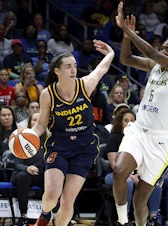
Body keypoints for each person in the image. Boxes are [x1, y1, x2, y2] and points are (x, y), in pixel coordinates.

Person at [113, 2, 168, 226]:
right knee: (118, 171)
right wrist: (127, 37)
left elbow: (151, 52)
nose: (162, 52)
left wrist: (128, 31)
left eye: (167, 50)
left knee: (140, 200)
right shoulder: (156, 66)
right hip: (139, 131)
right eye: (162, 49)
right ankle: (123, 221)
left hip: (161, 140)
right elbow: (126, 60)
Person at [31, 38, 114, 226]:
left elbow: (101, 69)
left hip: (84, 150)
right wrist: (27, 136)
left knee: (68, 202)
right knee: (52, 195)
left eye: (74, 66)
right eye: (68, 67)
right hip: (59, 146)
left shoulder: (84, 85)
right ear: (57, 71)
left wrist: (110, 53)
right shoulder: (48, 94)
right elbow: (40, 126)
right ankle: (44, 215)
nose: (73, 70)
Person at [11, 112, 45, 226]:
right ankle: (23, 215)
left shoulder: (48, 141)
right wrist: (27, 169)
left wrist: (36, 167)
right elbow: (17, 164)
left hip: (40, 173)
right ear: (30, 123)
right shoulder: (21, 138)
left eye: (39, 120)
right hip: (23, 174)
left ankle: (56, 215)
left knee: (56, 178)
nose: (37, 122)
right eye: (34, 120)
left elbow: (49, 160)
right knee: (23, 177)